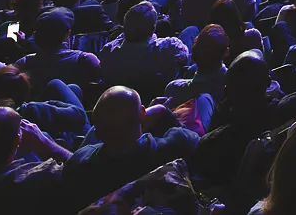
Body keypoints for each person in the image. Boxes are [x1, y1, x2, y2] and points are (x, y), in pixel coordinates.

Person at [60, 86, 199, 209]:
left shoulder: (78, 163)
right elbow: (195, 137)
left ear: (97, 133)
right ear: (143, 113)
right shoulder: (176, 145)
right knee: (204, 99)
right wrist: (163, 111)